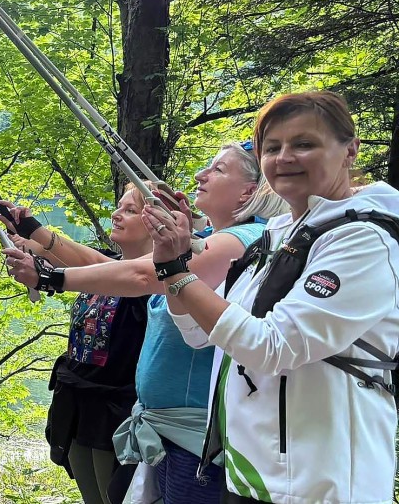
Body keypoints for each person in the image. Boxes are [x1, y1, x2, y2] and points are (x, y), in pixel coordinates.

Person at [145, 91, 399, 503]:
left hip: (320, 483)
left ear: (350, 150)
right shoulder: (276, 235)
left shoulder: (365, 240)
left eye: (304, 144)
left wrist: (175, 272)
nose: (284, 158)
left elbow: (273, 347)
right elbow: (197, 331)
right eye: (273, 147)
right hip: (251, 472)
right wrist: (171, 262)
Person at [2, 142, 286, 504]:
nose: (201, 175)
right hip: (167, 430)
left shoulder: (240, 240)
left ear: (249, 191)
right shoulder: (208, 241)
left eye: (217, 169)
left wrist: (49, 278)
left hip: (192, 433)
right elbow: (111, 267)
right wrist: (35, 234)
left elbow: (141, 276)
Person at [0, 183, 155, 504]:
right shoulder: (104, 263)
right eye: (119, 206)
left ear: (156, 224)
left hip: (116, 413)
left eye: (130, 210)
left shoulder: (154, 279)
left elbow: (100, 266)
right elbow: (71, 258)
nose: (117, 214)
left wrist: (38, 235)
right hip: (76, 405)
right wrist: (23, 236)